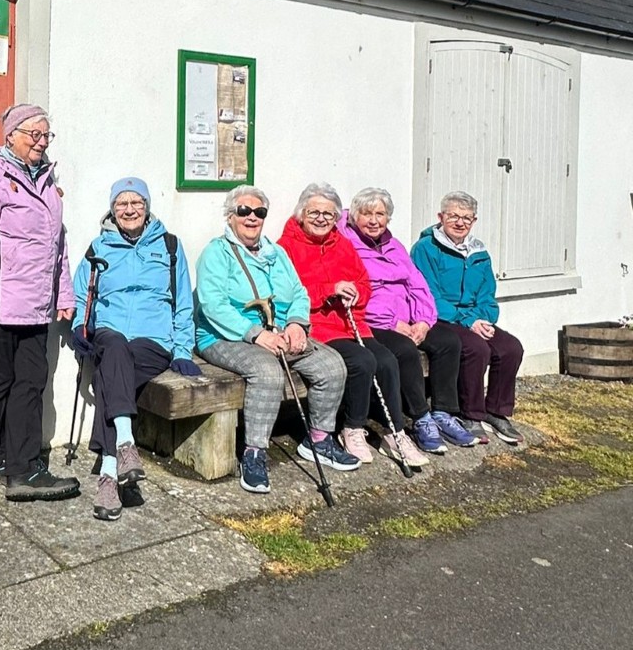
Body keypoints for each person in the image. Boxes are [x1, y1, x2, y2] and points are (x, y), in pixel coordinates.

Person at [194, 186, 348, 494]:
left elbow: (299, 292)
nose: (252, 217)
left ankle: (318, 440)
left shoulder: (276, 253)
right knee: (267, 372)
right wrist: (255, 334)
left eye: (259, 212)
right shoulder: (216, 253)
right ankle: (254, 452)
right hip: (224, 336)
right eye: (244, 211)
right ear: (230, 216)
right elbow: (213, 305)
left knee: (332, 365)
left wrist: (296, 324)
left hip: (278, 332)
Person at [72, 177, 199, 521]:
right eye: (121, 204)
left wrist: (182, 349)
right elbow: (81, 294)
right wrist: (78, 327)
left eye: (136, 203)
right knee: (114, 346)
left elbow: (183, 303)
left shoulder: (169, 246)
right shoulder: (99, 248)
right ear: (112, 210)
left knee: (109, 377)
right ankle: (125, 445)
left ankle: (109, 471)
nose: (129, 210)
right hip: (109, 333)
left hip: (152, 341)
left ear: (147, 207)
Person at [277, 183, 427, 468]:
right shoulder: (286, 247)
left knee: (387, 361)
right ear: (302, 214)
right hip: (318, 326)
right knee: (361, 361)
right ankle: (352, 427)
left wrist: (356, 294)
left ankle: (395, 431)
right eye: (314, 212)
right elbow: (288, 294)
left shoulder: (342, 244)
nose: (321, 219)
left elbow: (363, 283)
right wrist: (329, 290)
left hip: (351, 322)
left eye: (328, 214)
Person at [0, 104, 80, 501]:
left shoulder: (46, 180)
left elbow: (58, 244)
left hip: (36, 302)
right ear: (10, 135)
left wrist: (64, 293)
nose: (41, 142)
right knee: (2, 382)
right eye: (33, 134)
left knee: (29, 381)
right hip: (2, 299)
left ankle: (13, 463)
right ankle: (12, 466)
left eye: (45, 135)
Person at [341, 187, 479, 452]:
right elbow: (361, 295)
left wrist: (424, 320)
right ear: (355, 217)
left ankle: (443, 413)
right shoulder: (348, 246)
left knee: (448, 341)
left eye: (380, 214)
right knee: (405, 350)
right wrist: (394, 323)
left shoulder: (394, 245)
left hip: (408, 318)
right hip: (374, 322)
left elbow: (417, 284)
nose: (374, 221)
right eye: (367, 214)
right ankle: (420, 417)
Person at [411, 191, 525, 444]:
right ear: (441, 217)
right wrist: (468, 321)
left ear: (474, 221)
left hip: (473, 317)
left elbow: (487, 293)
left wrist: (483, 318)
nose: (460, 222)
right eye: (453, 216)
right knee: (475, 349)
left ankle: (495, 411)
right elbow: (430, 295)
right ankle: (470, 414)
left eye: (467, 218)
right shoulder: (426, 249)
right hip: (441, 317)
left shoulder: (479, 252)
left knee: (510, 348)